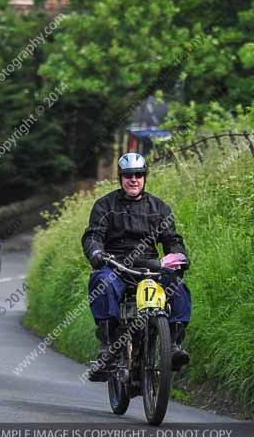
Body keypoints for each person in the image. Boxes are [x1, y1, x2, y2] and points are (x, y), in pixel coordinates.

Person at [82, 152, 191, 379]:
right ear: (121, 178)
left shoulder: (160, 208)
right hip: (116, 267)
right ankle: (109, 349)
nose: (134, 179)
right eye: (129, 175)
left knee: (178, 287)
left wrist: (178, 256)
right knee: (102, 282)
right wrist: (96, 253)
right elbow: (93, 236)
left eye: (139, 175)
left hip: (151, 268)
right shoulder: (104, 206)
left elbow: (172, 239)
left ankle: (173, 347)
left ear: (145, 177)